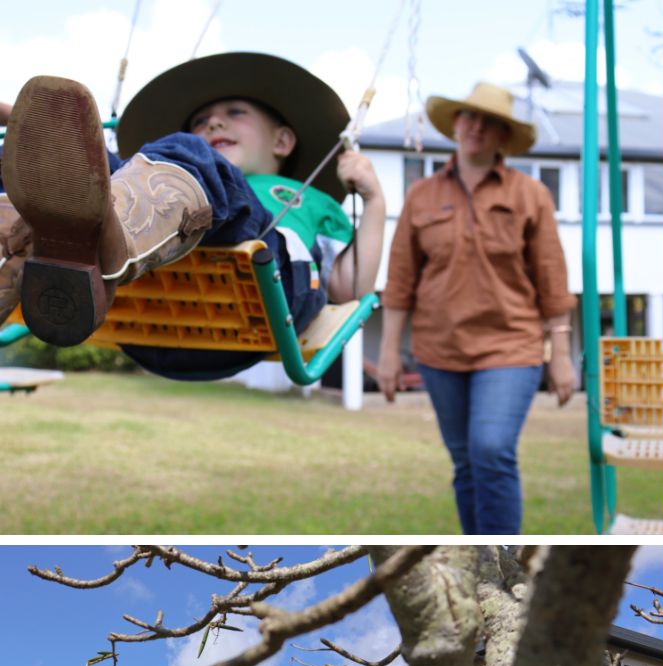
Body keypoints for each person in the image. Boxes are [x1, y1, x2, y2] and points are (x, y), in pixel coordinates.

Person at [0, 52, 385, 380]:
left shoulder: (311, 199)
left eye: (234, 113)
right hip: (148, 311)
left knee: (193, 159)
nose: (213, 124)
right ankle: (26, 199)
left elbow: (350, 290)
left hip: (270, 290)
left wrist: (375, 200)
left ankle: (107, 233)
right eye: (201, 120)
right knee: (100, 169)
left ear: (282, 141)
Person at [377, 82, 576, 535]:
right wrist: (389, 352)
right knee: (466, 462)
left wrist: (560, 355)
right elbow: (401, 278)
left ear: (504, 136)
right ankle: (481, 560)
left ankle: (506, 562)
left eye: (490, 122)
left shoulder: (531, 195)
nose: (477, 128)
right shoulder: (422, 195)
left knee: (490, 448)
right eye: (469, 117)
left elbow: (552, 278)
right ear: (455, 125)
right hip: (439, 350)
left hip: (511, 345)